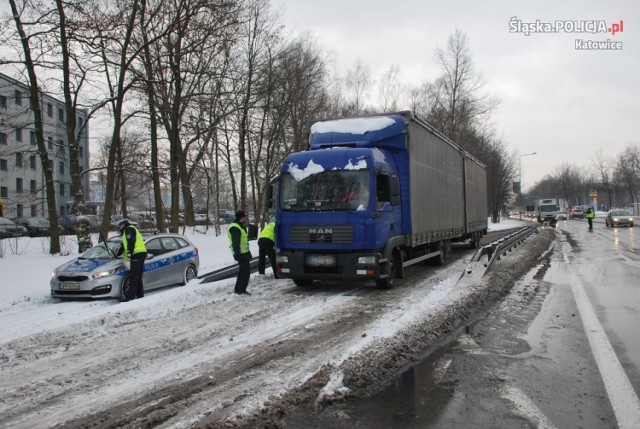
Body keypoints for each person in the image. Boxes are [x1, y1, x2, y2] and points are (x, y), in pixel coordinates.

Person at [118, 218, 147, 301]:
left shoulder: (128, 229)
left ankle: (130, 296)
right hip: (141, 253)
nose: (119, 227)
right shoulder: (129, 230)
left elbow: (131, 241)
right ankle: (140, 295)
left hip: (136, 254)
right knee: (137, 275)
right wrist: (118, 254)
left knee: (134, 276)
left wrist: (130, 252)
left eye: (120, 225)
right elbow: (124, 245)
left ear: (123, 224)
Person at [228, 210, 252, 295]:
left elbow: (242, 240)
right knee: (245, 272)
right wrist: (238, 255)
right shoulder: (235, 227)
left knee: (243, 271)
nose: (245, 218)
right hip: (241, 254)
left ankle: (238, 289)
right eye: (244, 217)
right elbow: (235, 243)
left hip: (244, 253)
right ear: (241, 218)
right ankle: (241, 290)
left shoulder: (240, 226)